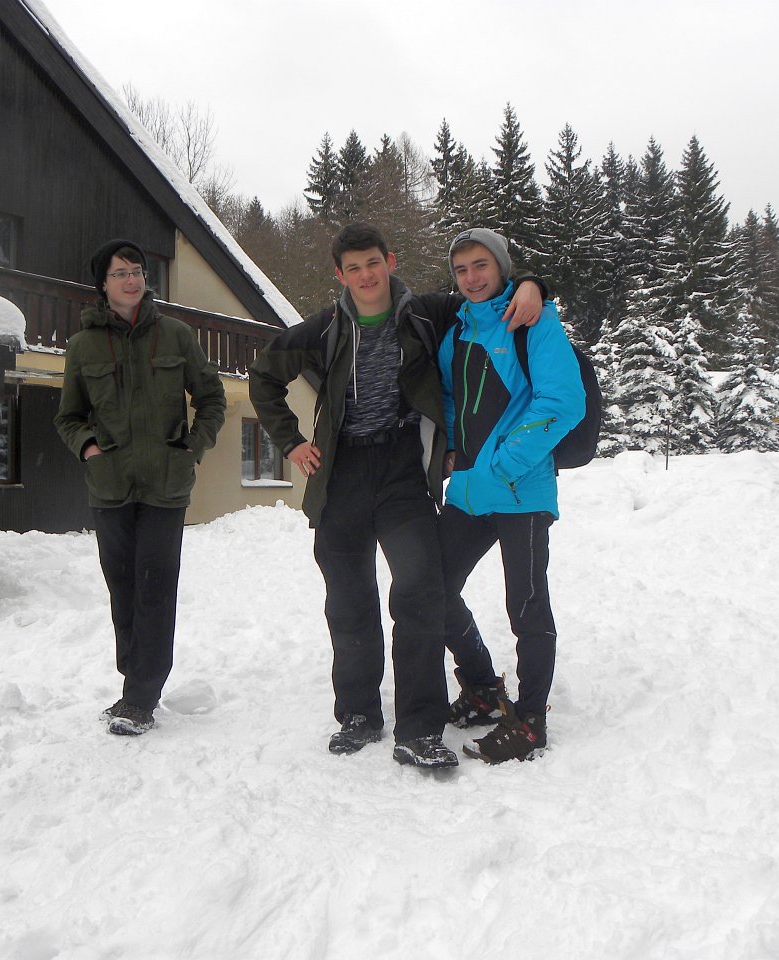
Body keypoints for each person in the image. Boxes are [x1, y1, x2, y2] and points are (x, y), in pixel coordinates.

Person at [248, 223, 545, 769]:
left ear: (390, 260)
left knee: (419, 593)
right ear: (340, 275)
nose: (366, 276)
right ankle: (358, 714)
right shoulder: (323, 328)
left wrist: (532, 283)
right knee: (348, 599)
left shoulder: (426, 313)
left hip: (403, 470)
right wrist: (290, 441)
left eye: (373, 263)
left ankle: (420, 729)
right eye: (353, 268)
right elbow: (264, 374)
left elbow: (485, 292)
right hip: (340, 473)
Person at [55, 239, 226, 736]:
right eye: (120, 273)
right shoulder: (83, 346)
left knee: (154, 587)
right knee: (123, 587)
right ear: (103, 284)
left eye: (137, 271)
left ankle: (141, 697)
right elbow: (69, 417)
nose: (132, 280)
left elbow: (212, 397)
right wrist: (88, 447)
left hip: (165, 487)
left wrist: (192, 446)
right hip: (110, 487)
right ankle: (135, 681)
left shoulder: (175, 335)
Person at [435, 227, 585, 763]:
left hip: (521, 490)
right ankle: (481, 686)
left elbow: (563, 401)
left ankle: (530, 721)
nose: (471, 277)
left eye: (481, 265)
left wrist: (505, 462)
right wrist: (453, 449)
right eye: (461, 269)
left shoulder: (532, 320)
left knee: (525, 606)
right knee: (432, 587)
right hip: (471, 490)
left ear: (501, 267)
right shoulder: (456, 332)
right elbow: (450, 399)